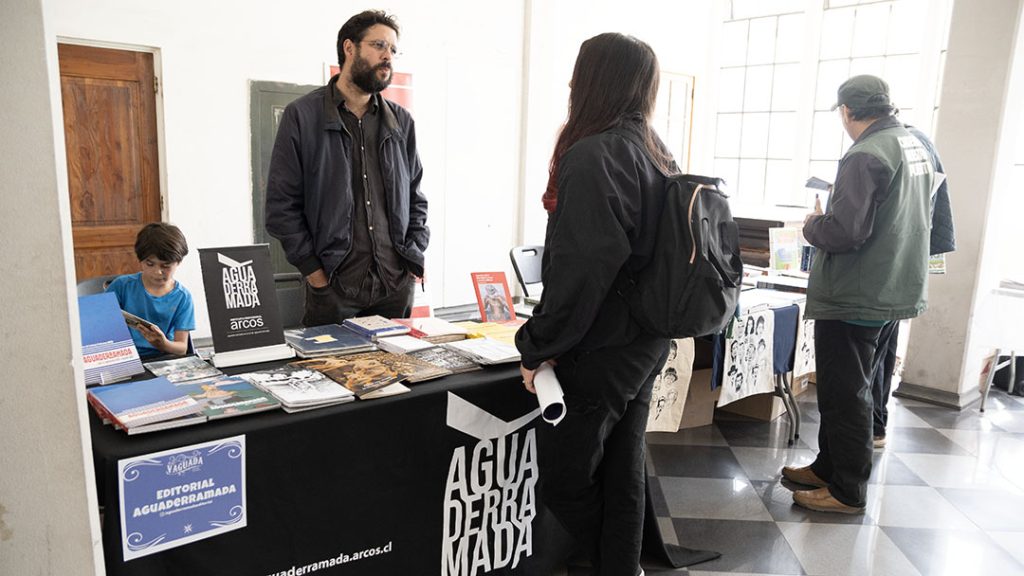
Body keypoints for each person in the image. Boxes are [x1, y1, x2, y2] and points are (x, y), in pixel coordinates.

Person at [515, 32, 676, 576]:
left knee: (565, 477)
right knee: (623, 467)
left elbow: (581, 273)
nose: (568, 84)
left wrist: (536, 347)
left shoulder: (593, 154)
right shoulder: (655, 151)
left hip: (603, 347)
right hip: (647, 340)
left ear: (594, 81)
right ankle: (621, 566)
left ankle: (610, 559)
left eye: (577, 73)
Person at [783, 75, 932, 514]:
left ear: (847, 112)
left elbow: (845, 231)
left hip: (857, 293)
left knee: (846, 392)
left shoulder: (865, 154)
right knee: (852, 386)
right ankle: (828, 466)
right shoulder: (913, 143)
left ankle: (847, 490)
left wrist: (812, 224)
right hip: (894, 284)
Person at [265, 10, 428, 327]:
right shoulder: (302, 116)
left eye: (393, 50)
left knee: (400, 376)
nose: (387, 57)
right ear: (349, 48)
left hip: (395, 286)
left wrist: (413, 257)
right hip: (333, 288)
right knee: (332, 376)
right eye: (379, 45)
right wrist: (315, 273)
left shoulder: (401, 122)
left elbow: (416, 197)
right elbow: (281, 206)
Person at [871, 124, 955, 448]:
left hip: (887, 268)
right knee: (885, 351)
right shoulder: (921, 145)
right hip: (909, 266)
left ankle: (869, 429)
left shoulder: (891, 147)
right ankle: (877, 425)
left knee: (871, 356)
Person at [106, 223, 195, 358]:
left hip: (163, 357)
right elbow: (102, 328)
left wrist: (163, 344)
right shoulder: (121, 286)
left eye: (166, 266)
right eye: (150, 264)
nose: (157, 272)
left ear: (179, 262)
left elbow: (182, 348)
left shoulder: (183, 297)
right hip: (123, 357)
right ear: (140, 260)